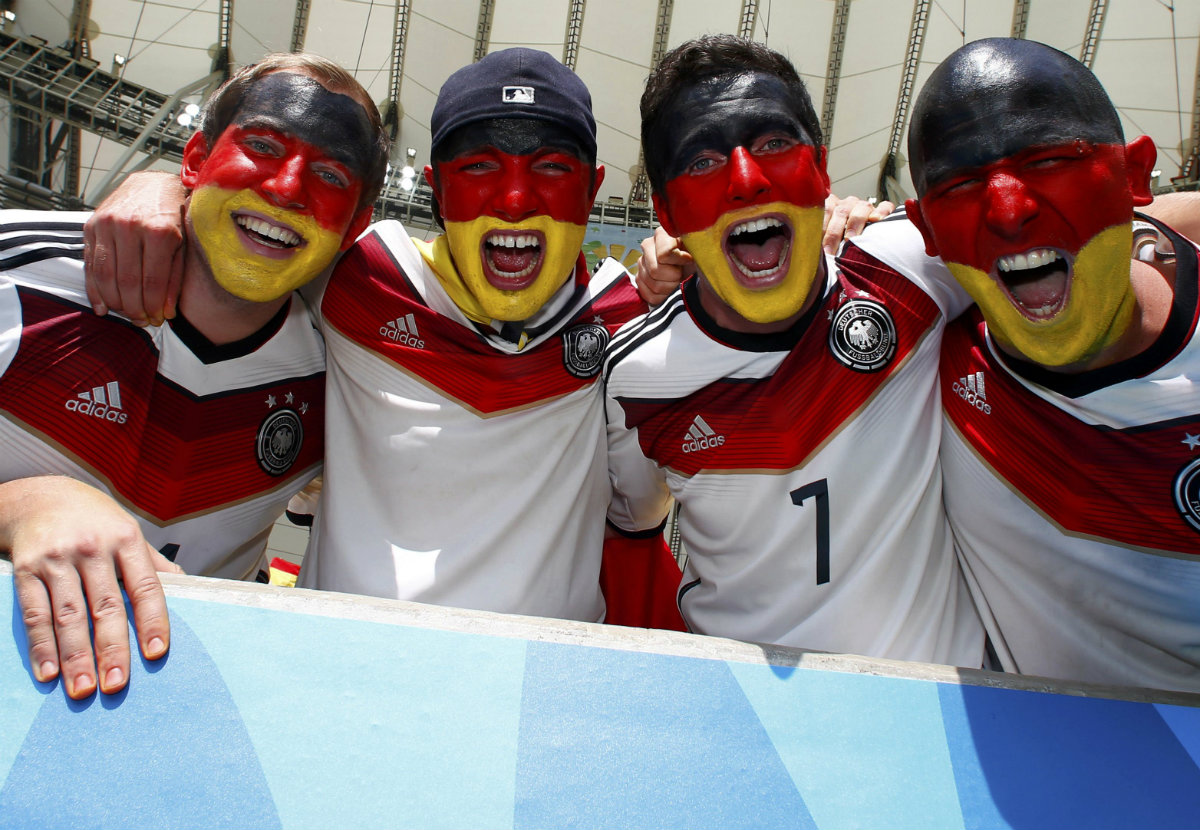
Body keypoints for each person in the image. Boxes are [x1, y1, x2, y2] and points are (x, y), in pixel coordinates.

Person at [86, 48, 685, 626]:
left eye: (553, 167)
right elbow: (254, 231)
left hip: (534, 692)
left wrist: (685, 296)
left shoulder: (625, 316)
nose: (514, 201)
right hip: (342, 673)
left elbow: (641, 508)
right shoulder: (359, 274)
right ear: (434, 188)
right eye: (477, 166)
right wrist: (159, 188)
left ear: (593, 187)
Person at [0, 53, 389, 699]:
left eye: (330, 173)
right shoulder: (17, 268)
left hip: (185, 720)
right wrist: (25, 505)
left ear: (356, 226)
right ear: (195, 159)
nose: (288, 188)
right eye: (262, 145)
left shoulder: (344, 367)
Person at [603, 35, 983, 664]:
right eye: (701, 161)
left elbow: (1082, 227)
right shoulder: (636, 375)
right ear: (666, 212)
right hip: (746, 724)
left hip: (940, 720)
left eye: (775, 144)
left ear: (821, 170)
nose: (748, 180)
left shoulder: (911, 267)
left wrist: (1144, 246)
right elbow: (637, 523)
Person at [903, 38, 1200, 690]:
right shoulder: (927, 352)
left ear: (1136, 173)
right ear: (923, 228)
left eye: (1049, 160)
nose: (1009, 210)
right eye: (962, 184)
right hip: (1028, 771)